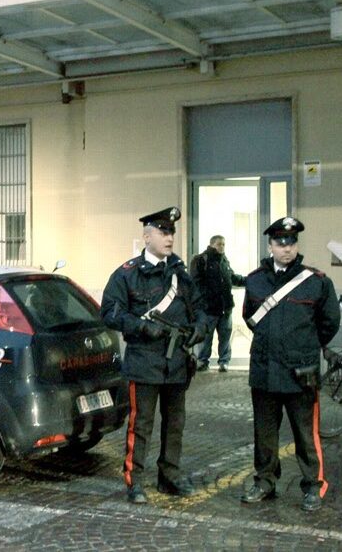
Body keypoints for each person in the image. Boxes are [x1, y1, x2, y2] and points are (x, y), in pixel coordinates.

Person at [101, 206, 208, 504]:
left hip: (176, 361)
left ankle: (169, 476)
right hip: (144, 361)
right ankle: (134, 480)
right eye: (163, 232)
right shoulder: (127, 275)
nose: (169, 237)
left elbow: (200, 307)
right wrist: (140, 327)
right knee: (142, 424)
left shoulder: (181, 275)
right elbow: (109, 312)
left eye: (171, 232)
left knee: (175, 423)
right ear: (147, 236)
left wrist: (200, 327)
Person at [240, 217, 340, 512]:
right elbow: (250, 316)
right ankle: (265, 481)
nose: (287, 248)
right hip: (264, 371)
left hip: (300, 373)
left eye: (292, 242)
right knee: (264, 434)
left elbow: (329, 322)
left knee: (306, 434)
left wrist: (305, 348)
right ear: (270, 245)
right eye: (281, 243)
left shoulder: (317, 281)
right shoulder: (255, 279)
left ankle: (313, 485)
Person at [189, 235, 246, 373]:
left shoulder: (224, 261)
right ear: (212, 244)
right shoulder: (201, 260)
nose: (222, 247)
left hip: (225, 308)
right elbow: (195, 283)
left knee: (225, 337)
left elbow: (231, 278)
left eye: (224, 244)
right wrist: (204, 300)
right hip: (209, 308)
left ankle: (224, 362)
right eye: (219, 244)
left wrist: (248, 281)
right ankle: (203, 361)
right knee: (206, 338)